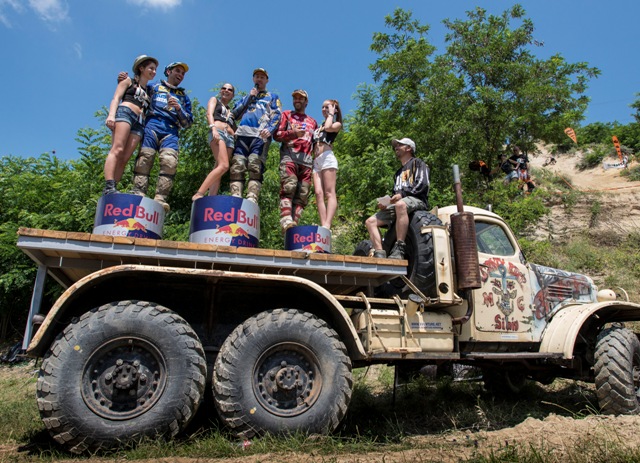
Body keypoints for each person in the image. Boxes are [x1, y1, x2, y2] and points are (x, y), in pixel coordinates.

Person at [129, 62, 194, 212]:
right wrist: (124, 79)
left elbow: (188, 123)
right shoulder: (154, 87)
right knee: (145, 159)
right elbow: (136, 90)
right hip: (152, 125)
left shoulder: (183, 97)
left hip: (171, 131)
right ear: (168, 71)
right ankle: (138, 193)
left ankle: (160, 198)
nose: (180, 75)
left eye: (183, 73)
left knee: (170, 163)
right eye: (177, 71)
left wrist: (178, 108)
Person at [365, 138, 430, 260]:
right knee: (370, 222)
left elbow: (423, 184)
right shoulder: (398, 173)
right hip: (401, 202)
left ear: (409, 148)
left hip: (417, 200)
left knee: (400, 204)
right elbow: (396, 193)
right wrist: (387, 203)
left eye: (400, 145)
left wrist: (402, 195)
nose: (396, 147)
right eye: (396, 145)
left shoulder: (418, 163)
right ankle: (380, 253)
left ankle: (399, 247)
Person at [103, 55, 157, 196]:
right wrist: (111, 115)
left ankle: (114, 187)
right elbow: (116, 98)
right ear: (141, 68)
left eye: (155, 69)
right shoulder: (128, 80)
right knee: (117, 149)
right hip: (126, 113)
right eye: (151, 68)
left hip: (140, 122)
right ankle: (108, 185)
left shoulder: (150, 91)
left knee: (125, 157)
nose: (154, 72)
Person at [229, 68, 282, 203]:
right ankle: (236, 195)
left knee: (255, 165)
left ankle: (252, 196)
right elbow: (234, 114)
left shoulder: (272, 97)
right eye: (257, 76)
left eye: (262, 77)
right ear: (253, 79)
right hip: (242, 134)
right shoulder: (246, 97)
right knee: (237, 165)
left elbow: (277, 115)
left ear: (267, 80)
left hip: (260, 136)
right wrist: (249, 97)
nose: (259, 79)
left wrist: (270, 129)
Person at [273, 89, 318, 232]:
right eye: (295, 98)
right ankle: (285, 219)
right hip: (290, 155)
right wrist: (293, 134)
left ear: (306, 102)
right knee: (289, 186)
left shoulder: (313, 122)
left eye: (301, 98)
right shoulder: (286, 115)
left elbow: (315, 143)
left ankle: (293, 225)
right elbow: (277, 134)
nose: (297, 100)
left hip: (306, 160)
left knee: (303, 194)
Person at [193, 83, 236, 200]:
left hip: (229, 138)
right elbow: (209, 114)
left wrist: (233, 133)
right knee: (224, 165)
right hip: (218, 132)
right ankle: (199, 193)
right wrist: (213, 128)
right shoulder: (214, 100)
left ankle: (211, 198)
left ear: (232, 95)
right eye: (224, 88)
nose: (226, 90)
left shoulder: (230, 110)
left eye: (229, 90)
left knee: (219, 169)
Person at [313, 100, 343, 230]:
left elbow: (329, 128)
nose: (324, 109)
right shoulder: (319, 127)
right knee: (318, 193)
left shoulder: (336, 123)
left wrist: (331, 114)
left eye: (328, 107)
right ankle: (323, 223)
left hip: (327, 158)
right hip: (316, 161)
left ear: (335, 109)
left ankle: (328, 224)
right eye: (323, 107)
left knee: (329, 192)